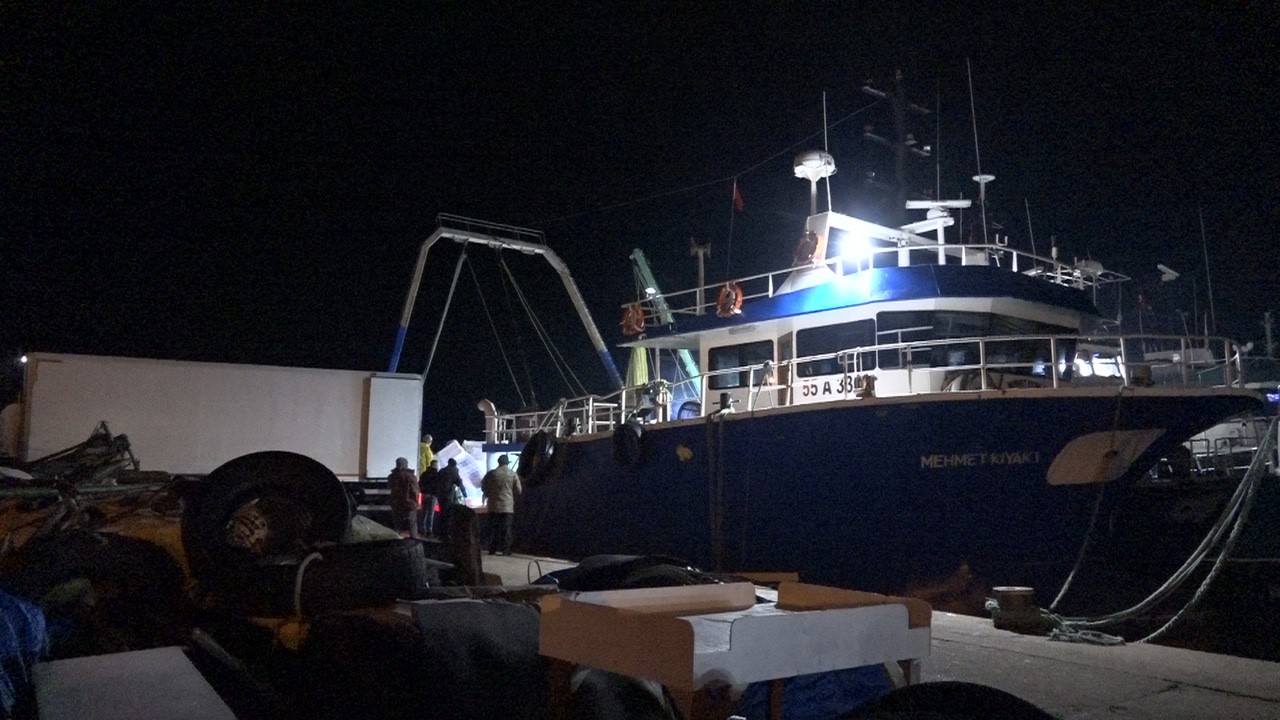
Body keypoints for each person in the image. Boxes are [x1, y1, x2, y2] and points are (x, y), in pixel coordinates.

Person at [480, 454, 521, 555]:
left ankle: (492, 549)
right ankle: (506, 550)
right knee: (506, 530)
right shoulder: (513, 474)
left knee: (493, 528)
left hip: (493, 506)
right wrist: (510, 495)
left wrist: (488, 493)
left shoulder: (491, 474)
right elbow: (518, 490)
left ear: (498, 462)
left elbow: (483, 486)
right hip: (507, 507)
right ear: (507, 463)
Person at [387, 457, 421, 539]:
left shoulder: (392, 476)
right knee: (412, 523)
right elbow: (415, 491)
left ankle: (396, 540)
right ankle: (414, 541)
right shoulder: (411, 476)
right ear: (406, 465)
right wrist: (417, 503)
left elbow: (390, 487)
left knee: (397, 524)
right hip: (409, 504)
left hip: (396, 503)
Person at [433, 457, 468, 537]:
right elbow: (459, 482)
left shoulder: (442, 471)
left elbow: (436, 482)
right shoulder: (453, 471)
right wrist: (464, 493)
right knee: (448, 514)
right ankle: (446, 533)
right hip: (448, 496)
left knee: (442, 513)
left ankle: (439, 532)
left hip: (440, 495)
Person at [418, 459, 440, 537]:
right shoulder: (438, 475)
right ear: (435, 466)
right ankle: (429, 531)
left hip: (425, 495)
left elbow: (420, 483)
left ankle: (422, 530)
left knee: (424, 513)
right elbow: (439, 486)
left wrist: (423, 491)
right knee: (431, 514)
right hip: (433, 496)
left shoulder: (424, 474)